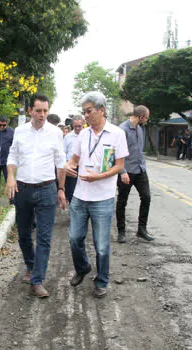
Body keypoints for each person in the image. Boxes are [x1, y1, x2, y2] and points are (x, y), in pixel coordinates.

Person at [64, 92, 128, 298]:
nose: (86, 116)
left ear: (101, 110)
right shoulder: (83, 134)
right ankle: (82, 268)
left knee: (101, 246)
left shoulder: (117, 134)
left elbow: (119, 166)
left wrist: (99, 176)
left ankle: (101, 281)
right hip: (80, 196)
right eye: (84, 112)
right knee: (75, 238)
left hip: (103, 198)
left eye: (89, 111)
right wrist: (68, 166)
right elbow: (74, 159)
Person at [6, 93, 67, 298]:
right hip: (22, 189)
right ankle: (31, 266)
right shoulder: (20, 132)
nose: (42, 115)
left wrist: (61, 189)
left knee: (44, 237)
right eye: (38, 111)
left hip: (47, 189)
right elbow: (13, 155)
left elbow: (60, 162)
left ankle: (37, 280)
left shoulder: (55, 133)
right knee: (23, 233)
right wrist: (11, 177)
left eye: (45, 111)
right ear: (31, 110)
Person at [116, 105, 155, 243]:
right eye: (147, 118)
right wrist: (122, 171)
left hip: (140, 170)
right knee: (122, 201)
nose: (146, 120)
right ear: (141, 116)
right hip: (126, 171)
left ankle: (141, 229)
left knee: (146, 197)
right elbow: (117, 152)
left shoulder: (140, 129)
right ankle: (121, 232)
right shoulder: (122, 129)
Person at [63, 114, 85, 203]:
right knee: (71, 191)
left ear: (83, 124)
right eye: (75, 126)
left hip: (83, 166)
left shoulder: (87, 135)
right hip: (71, 166)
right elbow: (63, 152)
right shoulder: (68, 137)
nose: (77, 128)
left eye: (79, 126)